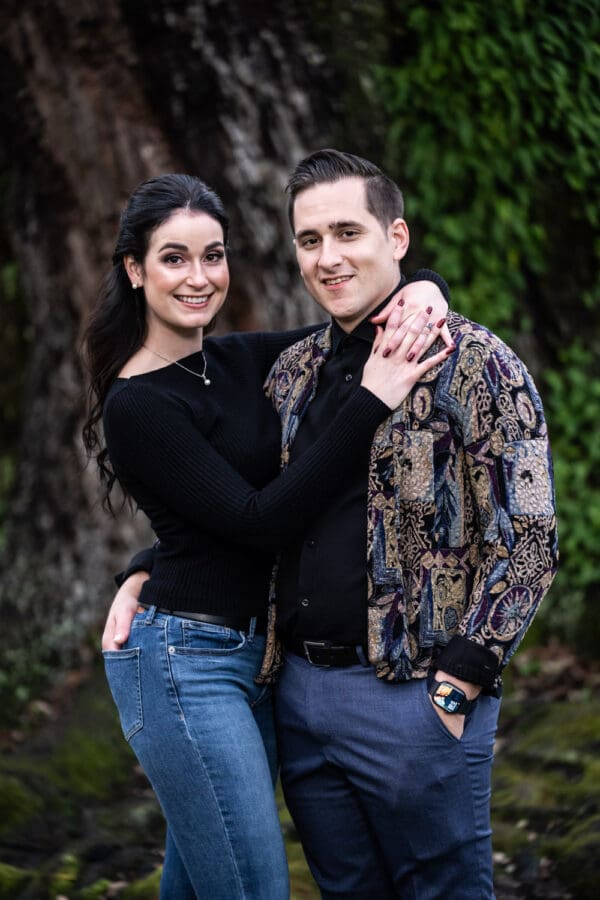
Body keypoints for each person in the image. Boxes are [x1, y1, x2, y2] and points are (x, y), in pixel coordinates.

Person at [110, 151, 559, 899]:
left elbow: (533, 537)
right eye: (309, 239)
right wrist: (143, 564)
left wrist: (459, 685)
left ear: (399, 237)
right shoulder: (290, 370)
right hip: (298, 697)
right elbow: (250, 503)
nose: (328, 257)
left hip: (414, 694)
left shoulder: (473, 362)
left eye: (348, 232)